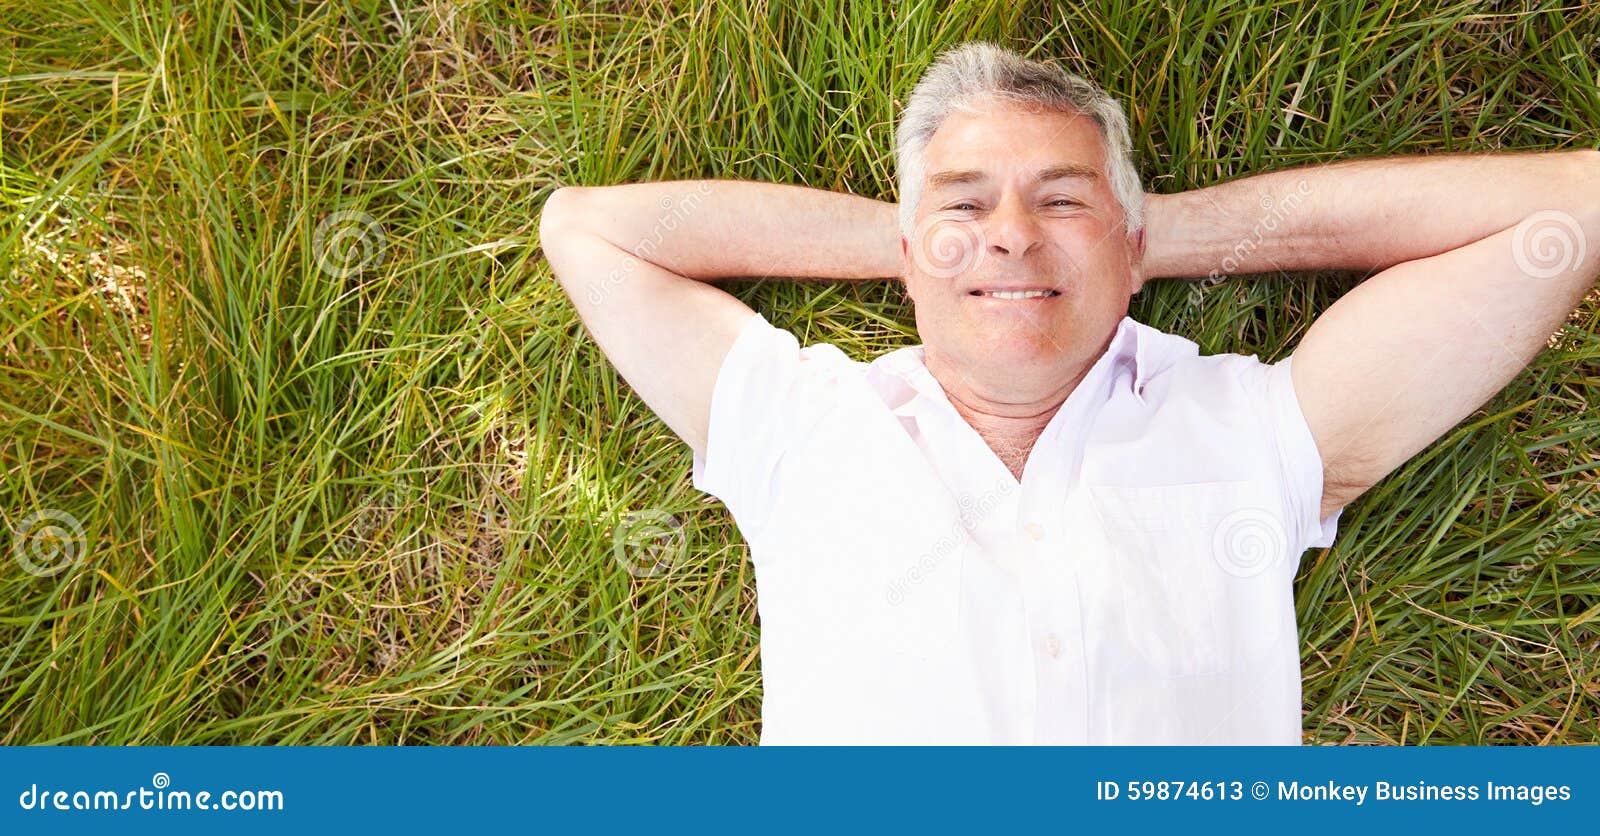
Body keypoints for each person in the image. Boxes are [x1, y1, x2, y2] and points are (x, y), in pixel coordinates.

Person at [537, 42, 1599, 744]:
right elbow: (586, 229)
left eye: (1060, 199)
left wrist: (1141, 239)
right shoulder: (800, 425)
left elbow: (1571, 213)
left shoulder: (1255, 429)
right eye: (966, 202)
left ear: (1135, 246)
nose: (1010, 230)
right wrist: (950, 247)